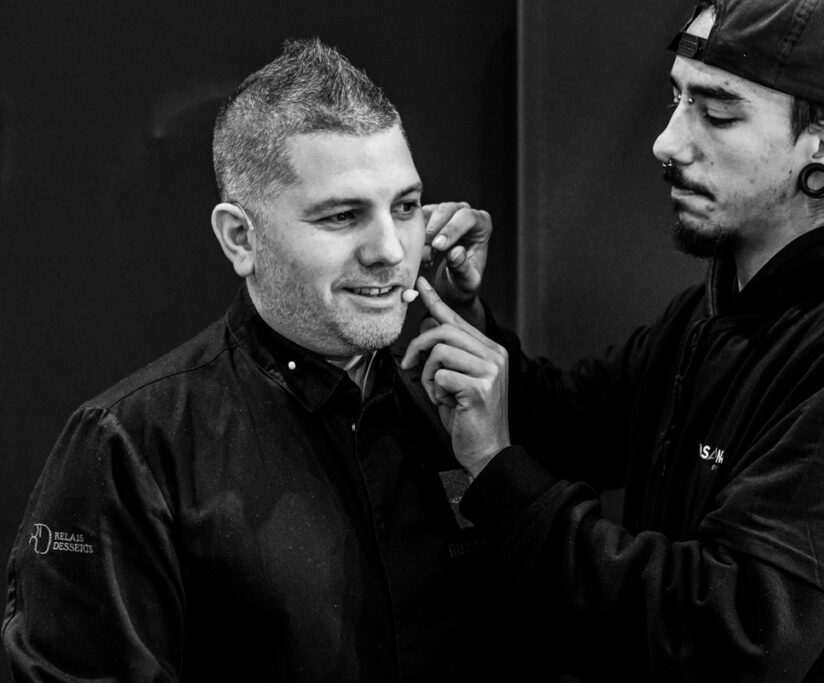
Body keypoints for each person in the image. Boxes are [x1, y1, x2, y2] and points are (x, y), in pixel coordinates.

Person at [402, 0, 824, 680]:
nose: (667, 143)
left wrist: (498, 474)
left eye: (718, 112)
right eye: (678, 99)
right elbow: (564, 425)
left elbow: (732, 635)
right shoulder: (716, 309)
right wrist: (465, 316)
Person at [2, 38, 536, 682]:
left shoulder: (460, 415)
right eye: (342, 216)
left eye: (404, 207)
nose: (392, 251)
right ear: (240, 238)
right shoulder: (132, 446)